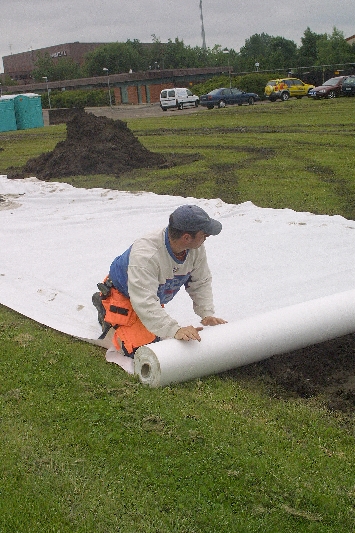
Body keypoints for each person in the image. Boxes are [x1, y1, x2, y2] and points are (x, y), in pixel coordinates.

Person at [92, 204, 227, 357]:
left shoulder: (195, 249)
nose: (206, 238)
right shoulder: (146, 256)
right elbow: (144, 301)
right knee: (143, 350)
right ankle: (105, 305)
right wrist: (175, 330)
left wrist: (206, 313)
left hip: (151, 292)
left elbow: (200, 281)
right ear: (187, 237)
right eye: (204, 234)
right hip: (124, 293)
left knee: (158, 336)